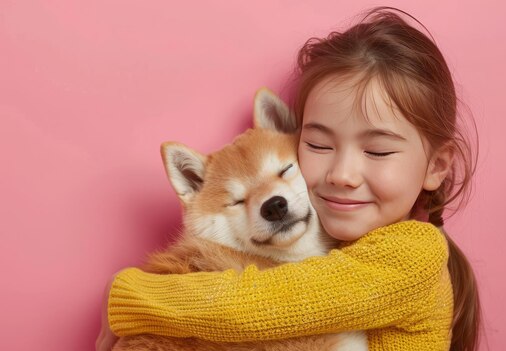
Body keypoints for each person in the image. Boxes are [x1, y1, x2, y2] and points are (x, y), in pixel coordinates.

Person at [97, 6, 481, 351]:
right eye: (318, 145)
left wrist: (133, 296)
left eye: (377, 150)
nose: (342, 175)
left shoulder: (414, 252)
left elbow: (265, 303)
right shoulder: (343, 245)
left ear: (436, 166)